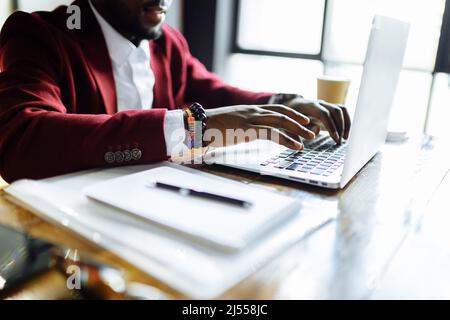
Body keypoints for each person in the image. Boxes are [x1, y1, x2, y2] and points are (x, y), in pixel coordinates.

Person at [0, 0, 351, 183]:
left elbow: (213, 92)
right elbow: (22, 142)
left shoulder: (168, 43)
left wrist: (286, 103)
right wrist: (191, 127)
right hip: (74, 241)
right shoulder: (38, 35)